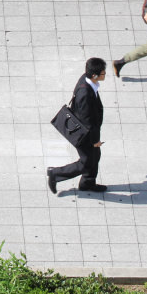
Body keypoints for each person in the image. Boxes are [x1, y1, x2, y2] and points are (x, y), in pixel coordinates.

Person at [47, 57, 107, 194]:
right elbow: (88, 122)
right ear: (94, 75)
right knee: (86, 162)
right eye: (103, 73)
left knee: (95, 157)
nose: (105, 75)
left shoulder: (87, 80)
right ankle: (55, 174)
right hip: (85, 135)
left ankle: (88, 183)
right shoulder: (85, 94)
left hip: (89, 132)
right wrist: (95, 141)